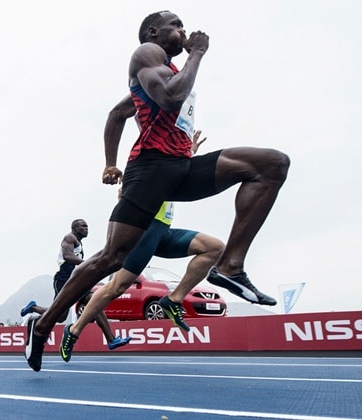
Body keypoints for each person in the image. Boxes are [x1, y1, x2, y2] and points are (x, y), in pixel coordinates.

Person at [25, 10, 290, 372]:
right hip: (150, 170)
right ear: (154, 31)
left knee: (271, 164)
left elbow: (119, 113)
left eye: (184, 27)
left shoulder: (166, 70)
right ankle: (42, 326)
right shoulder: (146, 55)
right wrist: (197, 53)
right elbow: (168, 98)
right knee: (112, 259)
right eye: (176, 25)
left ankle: (230, 266)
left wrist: (110, 161)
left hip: (181, 167)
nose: (183, 31)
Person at [59, 131, 225, 363]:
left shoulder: (171, 167)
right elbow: (125, 198)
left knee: (214, 248)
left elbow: (179, 164)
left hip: (164, 232)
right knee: (115, 288)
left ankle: (173, 299)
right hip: (143, 233)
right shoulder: (145, 170)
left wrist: (191, 150)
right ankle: (74, 330)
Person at [20, 219, 131, 351]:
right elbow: (67, 256)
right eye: (83, 226)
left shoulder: (79, 243)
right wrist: (87, 263)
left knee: (94, 301)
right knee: (60, 316)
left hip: (77, 279)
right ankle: (33, 307)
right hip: (63, 279)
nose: (86, 228)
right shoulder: (69, 237)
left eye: (87, 226)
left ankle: (111, 340)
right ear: (74, 228)